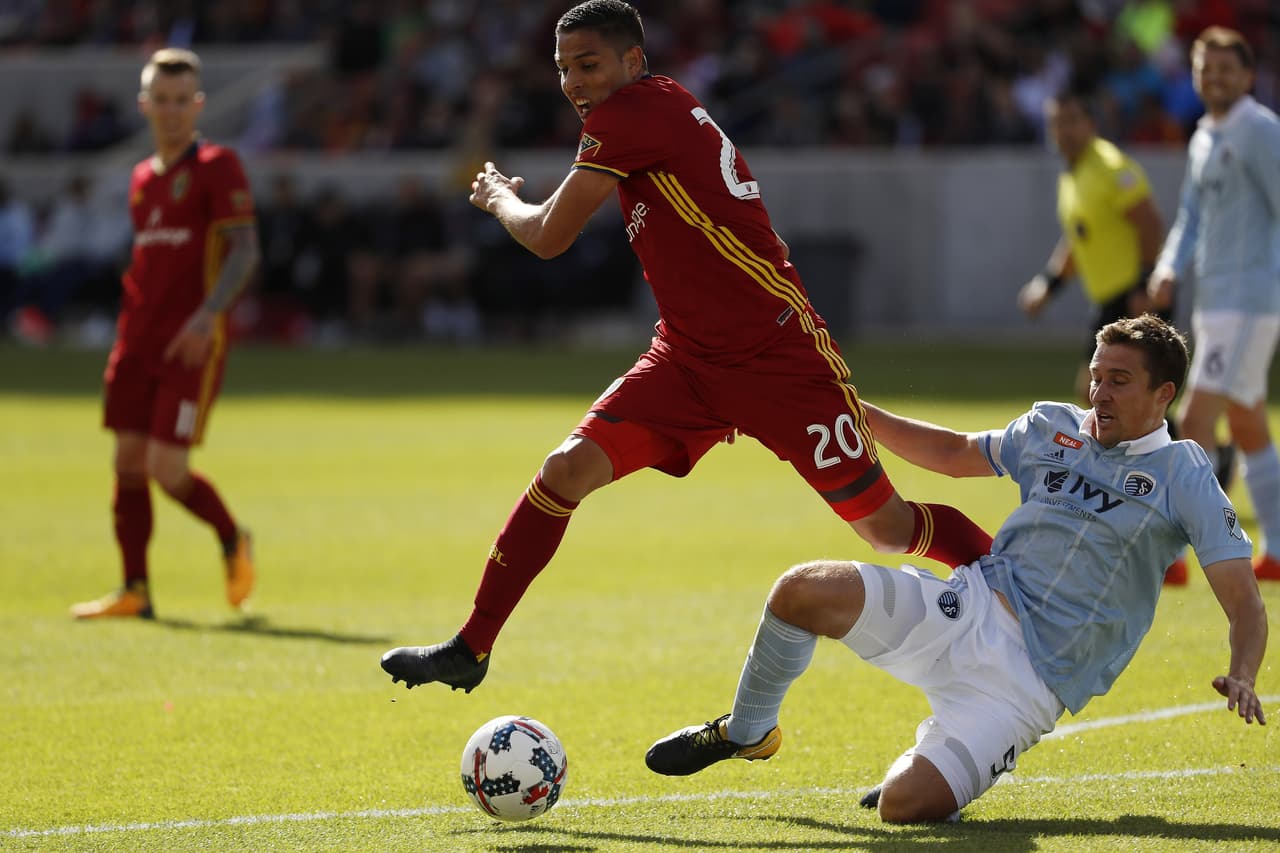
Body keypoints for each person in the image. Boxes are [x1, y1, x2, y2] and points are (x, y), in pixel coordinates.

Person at [380, 0, 993, 693]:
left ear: (633, 62)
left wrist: (496, 199)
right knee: (565, 469)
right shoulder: (658, 106)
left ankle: (1013, 585)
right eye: (562, 69)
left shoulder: (631, 116)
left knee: (886, 526)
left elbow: (549, 235)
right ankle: (472, 645)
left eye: (589, 64)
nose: (574, 82)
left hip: (779, 360)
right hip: (688, 360)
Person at [646, 314, 1268, 823]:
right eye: (1098, 375)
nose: (1099, 392)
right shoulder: (1051, 426)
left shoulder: (1185, 474)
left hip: (1025, 686)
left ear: (1165, 394)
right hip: (967, 605)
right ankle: (748, 730)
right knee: (799, 593)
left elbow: (1244, 601)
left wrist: (1243, 672)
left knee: (903, 807)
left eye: (1121, 381)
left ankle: (931, 763)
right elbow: (949, 452)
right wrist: (852, 408)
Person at [70, 47, 260, 619]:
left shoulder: (217, 166)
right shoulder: (141, 180)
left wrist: (208, 316)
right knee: (127, 463)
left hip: (190, 342)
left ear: (197, 104)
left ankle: (233, 538)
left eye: (183, 100)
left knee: (165, 468)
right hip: (137, 341)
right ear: (145, 105)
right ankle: (135, 590)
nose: (173, 111)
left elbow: (245, 249)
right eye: (163, 100)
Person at [1016, 87, 1198, 587]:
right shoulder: (1072, 176)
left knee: (1118, 402)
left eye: (1073, 120)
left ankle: (1166, 500)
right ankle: (1143, 489)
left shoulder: (1110, 165)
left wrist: (1144, 287)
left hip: (1132, 296)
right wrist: (1047, 287)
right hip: (1109, 299)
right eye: (1057, 122)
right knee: (1101, 399)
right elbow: (1077, 239)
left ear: (1091, 123)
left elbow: (1150, 224)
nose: (1064, 131)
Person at [1147, 27, 1280, 582]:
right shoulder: (1204, 135)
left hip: (1250, 300)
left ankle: (1173, 558)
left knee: (1194, 417)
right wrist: (1168, 266)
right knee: (1247, 423)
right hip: (1215, 301)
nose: (1215, 78)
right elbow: (1191, 219)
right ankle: (1277, 553)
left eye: (1226, 68)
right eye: (1206, 69)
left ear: (1248, 76)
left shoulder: (1259, 129)